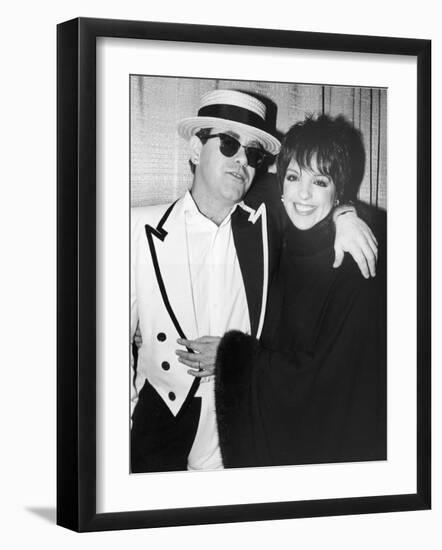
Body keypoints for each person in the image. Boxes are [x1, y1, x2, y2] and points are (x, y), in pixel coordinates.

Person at [131, 91, 378, 473]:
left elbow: (314, 187)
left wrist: (347, 213)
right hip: (161, 422)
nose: (242, 160)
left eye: (254, 154)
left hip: (241, 421)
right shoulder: (136, 228)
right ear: (196, 149)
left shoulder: (264, 221)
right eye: (228, 144)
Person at [212, 114, 387, 468]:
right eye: (293, 177)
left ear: (339, 189)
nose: (303, 194)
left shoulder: (354, 260)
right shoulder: (282, 237)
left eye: (320, 182)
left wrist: (230, 357)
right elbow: (254, 185)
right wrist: (345, 212)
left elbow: (323, 387)